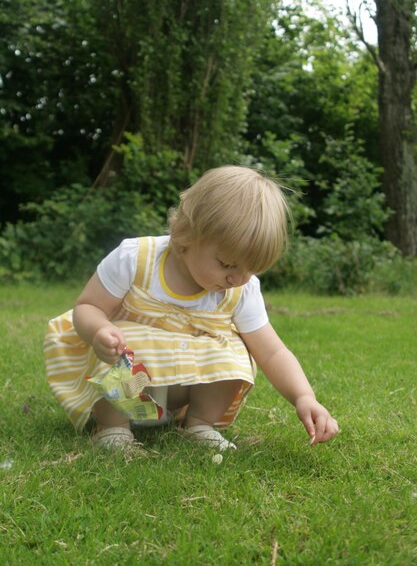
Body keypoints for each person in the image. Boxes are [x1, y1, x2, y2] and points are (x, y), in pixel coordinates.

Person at [44, 165, 339, 451]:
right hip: (131, 387)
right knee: (119, 340)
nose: (237, 278)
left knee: (234, 350)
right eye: (227, 264)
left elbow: (272, 352)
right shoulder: (135, 259)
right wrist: (99, 330)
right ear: (186, 235)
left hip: (179, 392)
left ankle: (197, 423)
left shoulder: (241, 288)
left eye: (251, 269)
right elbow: (87, 307)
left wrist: (304, 396)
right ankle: (112, 427)